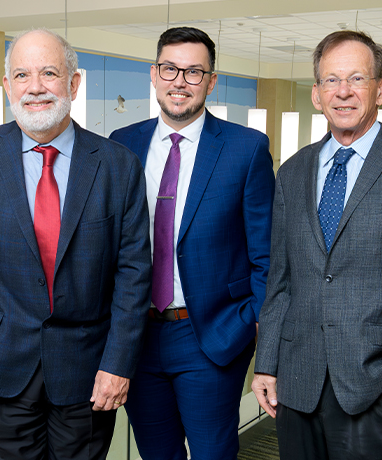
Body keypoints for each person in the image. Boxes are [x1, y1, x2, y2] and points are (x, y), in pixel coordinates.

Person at [0, 28, 151, 460]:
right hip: (0, 366)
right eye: (22, 74)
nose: (36, 87)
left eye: (49, 73)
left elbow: (134, 273)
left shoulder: (117, 165)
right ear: (8, 86)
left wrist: (118, 362)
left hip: (89, 376)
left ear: (74, 83)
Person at [252, 30, 382, 459]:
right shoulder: (292, 171)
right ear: (316, 94)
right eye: (331, 80)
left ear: (380, 89)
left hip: (375, 388)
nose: (342, 91)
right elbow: (280, 283)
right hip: (297, 384)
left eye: (356, 79)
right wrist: (267, 363)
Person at [109, 26, 274, 460]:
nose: (179, 81)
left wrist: (251, 325)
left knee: (212, 453)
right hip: (138, 336)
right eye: (170, 69)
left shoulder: (246, 148)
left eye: (194, 72)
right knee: (156, 453)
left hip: (212, 335)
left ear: (211, 81)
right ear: (154, 74)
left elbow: (266, 256)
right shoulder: (122, 145)